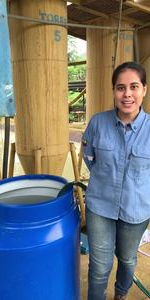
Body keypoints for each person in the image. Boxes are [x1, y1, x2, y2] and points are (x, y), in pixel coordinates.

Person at [82, 61, 150, 300]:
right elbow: (89, 157)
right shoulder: (98, 123)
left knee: (128, 259)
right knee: (99, 266)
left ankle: (120, 293)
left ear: (144, 89)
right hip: (100, 205)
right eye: (120, 88)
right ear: (114, 91)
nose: (127, 94)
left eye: (134, 86)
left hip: (137, 209)